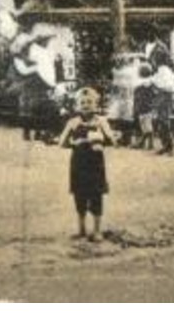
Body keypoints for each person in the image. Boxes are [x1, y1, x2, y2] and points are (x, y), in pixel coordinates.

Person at [57, 87, 117, 242]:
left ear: (96, 104)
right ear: (77, 105)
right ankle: (81, 229)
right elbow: (61, 143)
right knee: (79, 195)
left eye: (89, 102)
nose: (85, 105)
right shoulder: (73, 122)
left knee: (96, 195)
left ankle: (97, 230)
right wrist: (76, 142)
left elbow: (113, 141)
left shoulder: (101, 121)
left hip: (95, 164)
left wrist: (101, 139)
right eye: (82, 102)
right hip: (79, 163)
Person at [149, 57, 174, 156]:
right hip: (162, 96)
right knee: (160, 121)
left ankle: (169, 146)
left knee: (163, 121)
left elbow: (165, 85)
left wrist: (153, 83)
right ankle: (165, 145)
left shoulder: (164, 70)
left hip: (164, 96)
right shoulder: (162, 70)